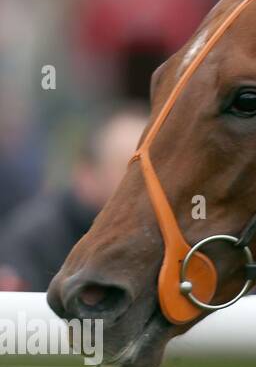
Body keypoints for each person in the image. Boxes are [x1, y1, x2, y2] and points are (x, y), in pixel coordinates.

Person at [0, 106, 148, 292]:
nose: (146, 182)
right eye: (131, 167)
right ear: (87, 173)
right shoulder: (33, 239)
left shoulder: (156, 236)